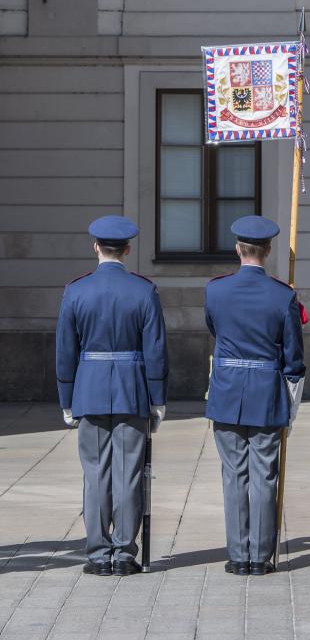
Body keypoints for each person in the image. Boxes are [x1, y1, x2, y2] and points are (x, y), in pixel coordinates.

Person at [56, 216, 169, 576]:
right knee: (128, 474)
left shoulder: (76, 290)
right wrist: (158, 397)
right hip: (131, 389)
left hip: (89, 388)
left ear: (95, 248)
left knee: (95, 474)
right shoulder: (143, 290)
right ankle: (124, 552)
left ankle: (97, 554)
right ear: (128, 249)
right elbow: (156, 351)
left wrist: (66, 398)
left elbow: (65, 351)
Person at [205, 215, 305, 576]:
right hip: (266, 391)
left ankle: (237, 553)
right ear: (269, 250)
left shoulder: (215, 290)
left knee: (234, 474)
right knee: (264, 475)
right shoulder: (283, 295)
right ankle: (261, 556)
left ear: (237, 248)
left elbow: (215, 330)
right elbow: (294, 357)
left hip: (228, 389)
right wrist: (292, 406)